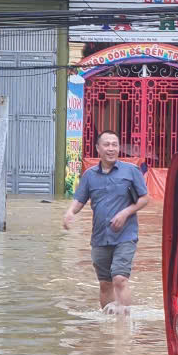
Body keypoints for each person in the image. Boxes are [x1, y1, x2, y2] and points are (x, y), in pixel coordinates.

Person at [63, 131, 150, 309]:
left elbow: (145, 198)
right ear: (98, 149)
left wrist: (126, 212)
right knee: (105, 284)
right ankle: (107, 325)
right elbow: (80, 200)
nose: (111, 148)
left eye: (114, 144)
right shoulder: (89, 175)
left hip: (125, 236)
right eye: (107, 144)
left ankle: (124, 324)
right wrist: (70, 212)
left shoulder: (131, 171)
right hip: (100, 237)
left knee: (119, 278)